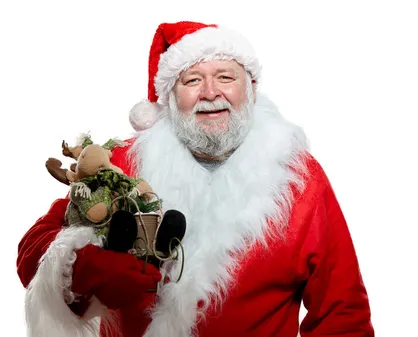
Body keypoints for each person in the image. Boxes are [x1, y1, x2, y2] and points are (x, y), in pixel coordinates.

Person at [16, 20, 374, 337]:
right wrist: (86, 266)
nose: (210, 92)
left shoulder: (297, 178)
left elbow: (343, 313)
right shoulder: (123, 163)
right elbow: (32, 249)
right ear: (171, 99)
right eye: (192, 80)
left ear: (249, 89)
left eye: (225, 77)